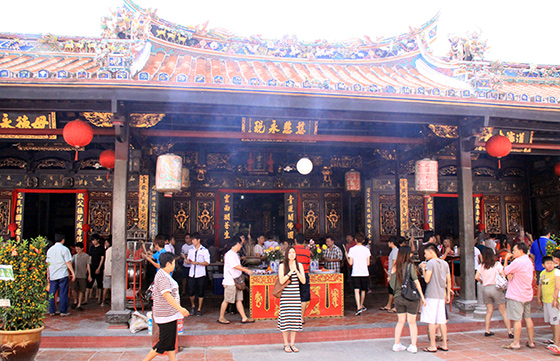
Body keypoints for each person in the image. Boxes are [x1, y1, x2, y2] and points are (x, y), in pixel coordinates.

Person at [142, 252, 190, 361]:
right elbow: (166, 295)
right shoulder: (163, 276)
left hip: (170, 314)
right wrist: (181, 309)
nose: (174, 265)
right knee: (163, 342)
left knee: (170, 342)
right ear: (168, 264)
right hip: (165, 314)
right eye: (173, 263)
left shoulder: (164, 274)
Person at [390, 246, 426, 353]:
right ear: (408, 254)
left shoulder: (394, 267)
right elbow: (416, 282)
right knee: (412, 322)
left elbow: (392, 284)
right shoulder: (410, 266)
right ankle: (413, 345)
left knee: (400, 321)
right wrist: (422, 297)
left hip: (398, 297)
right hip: (410, 297)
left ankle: (396, 344)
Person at [502, 242, 535, 349]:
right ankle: (531, 341)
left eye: (514, 250)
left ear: (521, 251)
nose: (513, 253)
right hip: (527, 293)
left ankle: (516, 342)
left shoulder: (518, 261)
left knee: (517, 320)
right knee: (528, 318)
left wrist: (506, 259)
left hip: (516, 294)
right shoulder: (529, 261)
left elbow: (505, 270)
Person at [419, 244, 451, 353]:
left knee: (431, 321)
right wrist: (448, 294)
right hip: (441, 294)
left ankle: (433, 345)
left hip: (432, 294)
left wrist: (423, 269)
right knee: (442, 320)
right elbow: (449, 280)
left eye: (426, 253)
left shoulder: (431, 263)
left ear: (431, 252)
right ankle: (444, 344)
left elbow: (427, 279)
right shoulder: (444, 263)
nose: (425, 255)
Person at [475, 248, 512, 337]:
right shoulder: (497, 264)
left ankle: (487, 330)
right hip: (496, 288)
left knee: (489, 311)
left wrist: (481, 281)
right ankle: (510, 331)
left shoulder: (481, 266)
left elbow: (476, 277)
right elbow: (503, 275)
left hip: (486, 289)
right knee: (503, 311)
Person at [217, 237, 254, 324]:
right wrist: (246, 270)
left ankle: (244, 317)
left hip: (237, 281)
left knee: (239, 300)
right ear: (237, 244)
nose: (241, 246)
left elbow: (237, 266)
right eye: (241, 244)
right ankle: (221, 317)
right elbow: (235, 266)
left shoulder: (235, 254)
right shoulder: (230, 254)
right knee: (227, 300)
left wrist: (242, 268)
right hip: (230, 281)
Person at [277, 246, 306, 353]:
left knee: (294, 320)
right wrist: (290, 272)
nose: (292, 254)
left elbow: (303, 281)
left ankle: (292, 344)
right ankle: (285, 344)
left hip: (295, 296)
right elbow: (281, 281)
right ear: (286, 254)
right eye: (289, 252)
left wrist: (296, 271)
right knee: (285, 320)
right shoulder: (282, 266)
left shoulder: (299, 265)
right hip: (286, 296)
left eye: (293, 252)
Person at [47, 233, 76, 316]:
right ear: (63, 240)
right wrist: (73, 273)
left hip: (53, 274)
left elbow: (47, 264)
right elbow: (68, 262)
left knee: (52, 293)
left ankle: (52, 311)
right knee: (63, 293)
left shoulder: (50, 250)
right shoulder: (64, 249)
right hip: (62, 274)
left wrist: (48, 274)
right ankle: (63, 311)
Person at [537, 256, 560, 352]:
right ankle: (554, 338)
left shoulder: (556, 272)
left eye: (551, 263)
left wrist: (555, 298)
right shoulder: (542, 273)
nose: (550, 265)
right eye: (548, 263)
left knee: (556, 321)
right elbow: (540, 286)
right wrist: (538, 298)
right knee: (551, 321)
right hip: (545, 300)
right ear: (543, 265)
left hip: (553, 300)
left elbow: (557, 286)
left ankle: (557, 344)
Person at [186, 233, 210, 316]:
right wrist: (187, 261)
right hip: (192, 273)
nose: (192, 241)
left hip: (200, 274)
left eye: (193, 240)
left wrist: (198, 263)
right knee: (191, 291)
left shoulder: (204, 250)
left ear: (198, 240)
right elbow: (188, 260)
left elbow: (207, 262)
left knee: (200, 291)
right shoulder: (191, 250)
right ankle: (193, 305)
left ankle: (199, 308)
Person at [347, 233, 371, 315]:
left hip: (355, 272)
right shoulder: (366, 250)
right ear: (363, 240)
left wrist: (347, 257)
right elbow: (368, 263)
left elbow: (350, 263)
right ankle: (361, 304)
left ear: (356, 240)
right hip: (364, 272)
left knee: (356, 290)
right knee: (363, 290)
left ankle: (358, 307)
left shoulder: (352, 250)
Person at [293, 233, 311, 321]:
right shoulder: (307, 252)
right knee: (303, 297)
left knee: (293, 296)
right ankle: (301, 318)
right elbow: (308, 264)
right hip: (304, 274)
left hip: (293, 275)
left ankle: (293, 317)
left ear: (295, 240)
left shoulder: (291, 251)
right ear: (304, 242)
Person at [71, 242, 91, 311]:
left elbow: (88, 266)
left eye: (79, 249)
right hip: (75, 275)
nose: (77, 251)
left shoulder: (86, 256)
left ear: (82, 249)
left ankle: (79, 304)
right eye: (76, 249)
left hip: (82, 275)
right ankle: (75, 300)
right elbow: (70, 264)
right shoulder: (74, 256)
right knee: (73, 289)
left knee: (81, 290)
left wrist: (89, 275)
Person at [86, 234, 105, 304]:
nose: (93, 242)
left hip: (98, 267)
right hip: (92, 267)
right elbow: (90, 257)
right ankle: (86, 299)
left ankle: (99, 299)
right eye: (92, 240)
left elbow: (102, 259)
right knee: (89, 283)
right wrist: (89, 267)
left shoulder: (101, 248)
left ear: (98, 240)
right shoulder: (91, 248)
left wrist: (99, 268)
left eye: (94, 240)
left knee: (99, 283)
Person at [381, 236, 398, 312]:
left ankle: (396, 306)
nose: (388, 243)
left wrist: (390, 275)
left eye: (389, 242)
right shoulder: (394, 250)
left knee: (394, 290)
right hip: (392, 272)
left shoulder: (395, 251)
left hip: (393, 273)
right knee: (391, 290)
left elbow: (394, 263)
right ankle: (389, 305)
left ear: (392, 243)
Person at [102, 238, 112, 306]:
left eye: (106, 242)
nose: (105, 244)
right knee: (112, 287)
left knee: (106, 287)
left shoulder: (108, 250)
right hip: (113, 270)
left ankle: (103, 301)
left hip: (107, 270)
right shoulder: (113, 249)